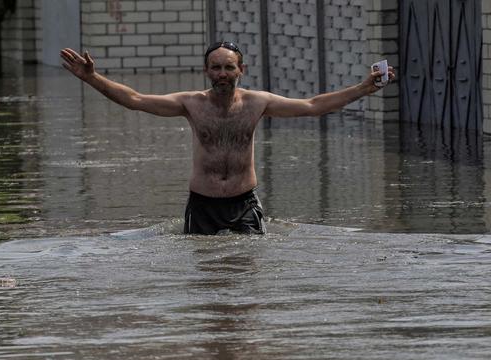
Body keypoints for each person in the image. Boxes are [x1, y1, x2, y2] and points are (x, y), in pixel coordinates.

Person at [60, 41, 395, 235]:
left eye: (229, 68)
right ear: (207, 71)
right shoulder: (189, 103)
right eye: (216, 68)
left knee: (248, 273)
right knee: (205, 276)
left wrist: (364, 88)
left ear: (241, 70)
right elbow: (134, 100)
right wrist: (91, 78)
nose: (222, 74)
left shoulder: (257, 103)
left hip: (244, 204)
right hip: (202, 206)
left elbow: (311, 106)